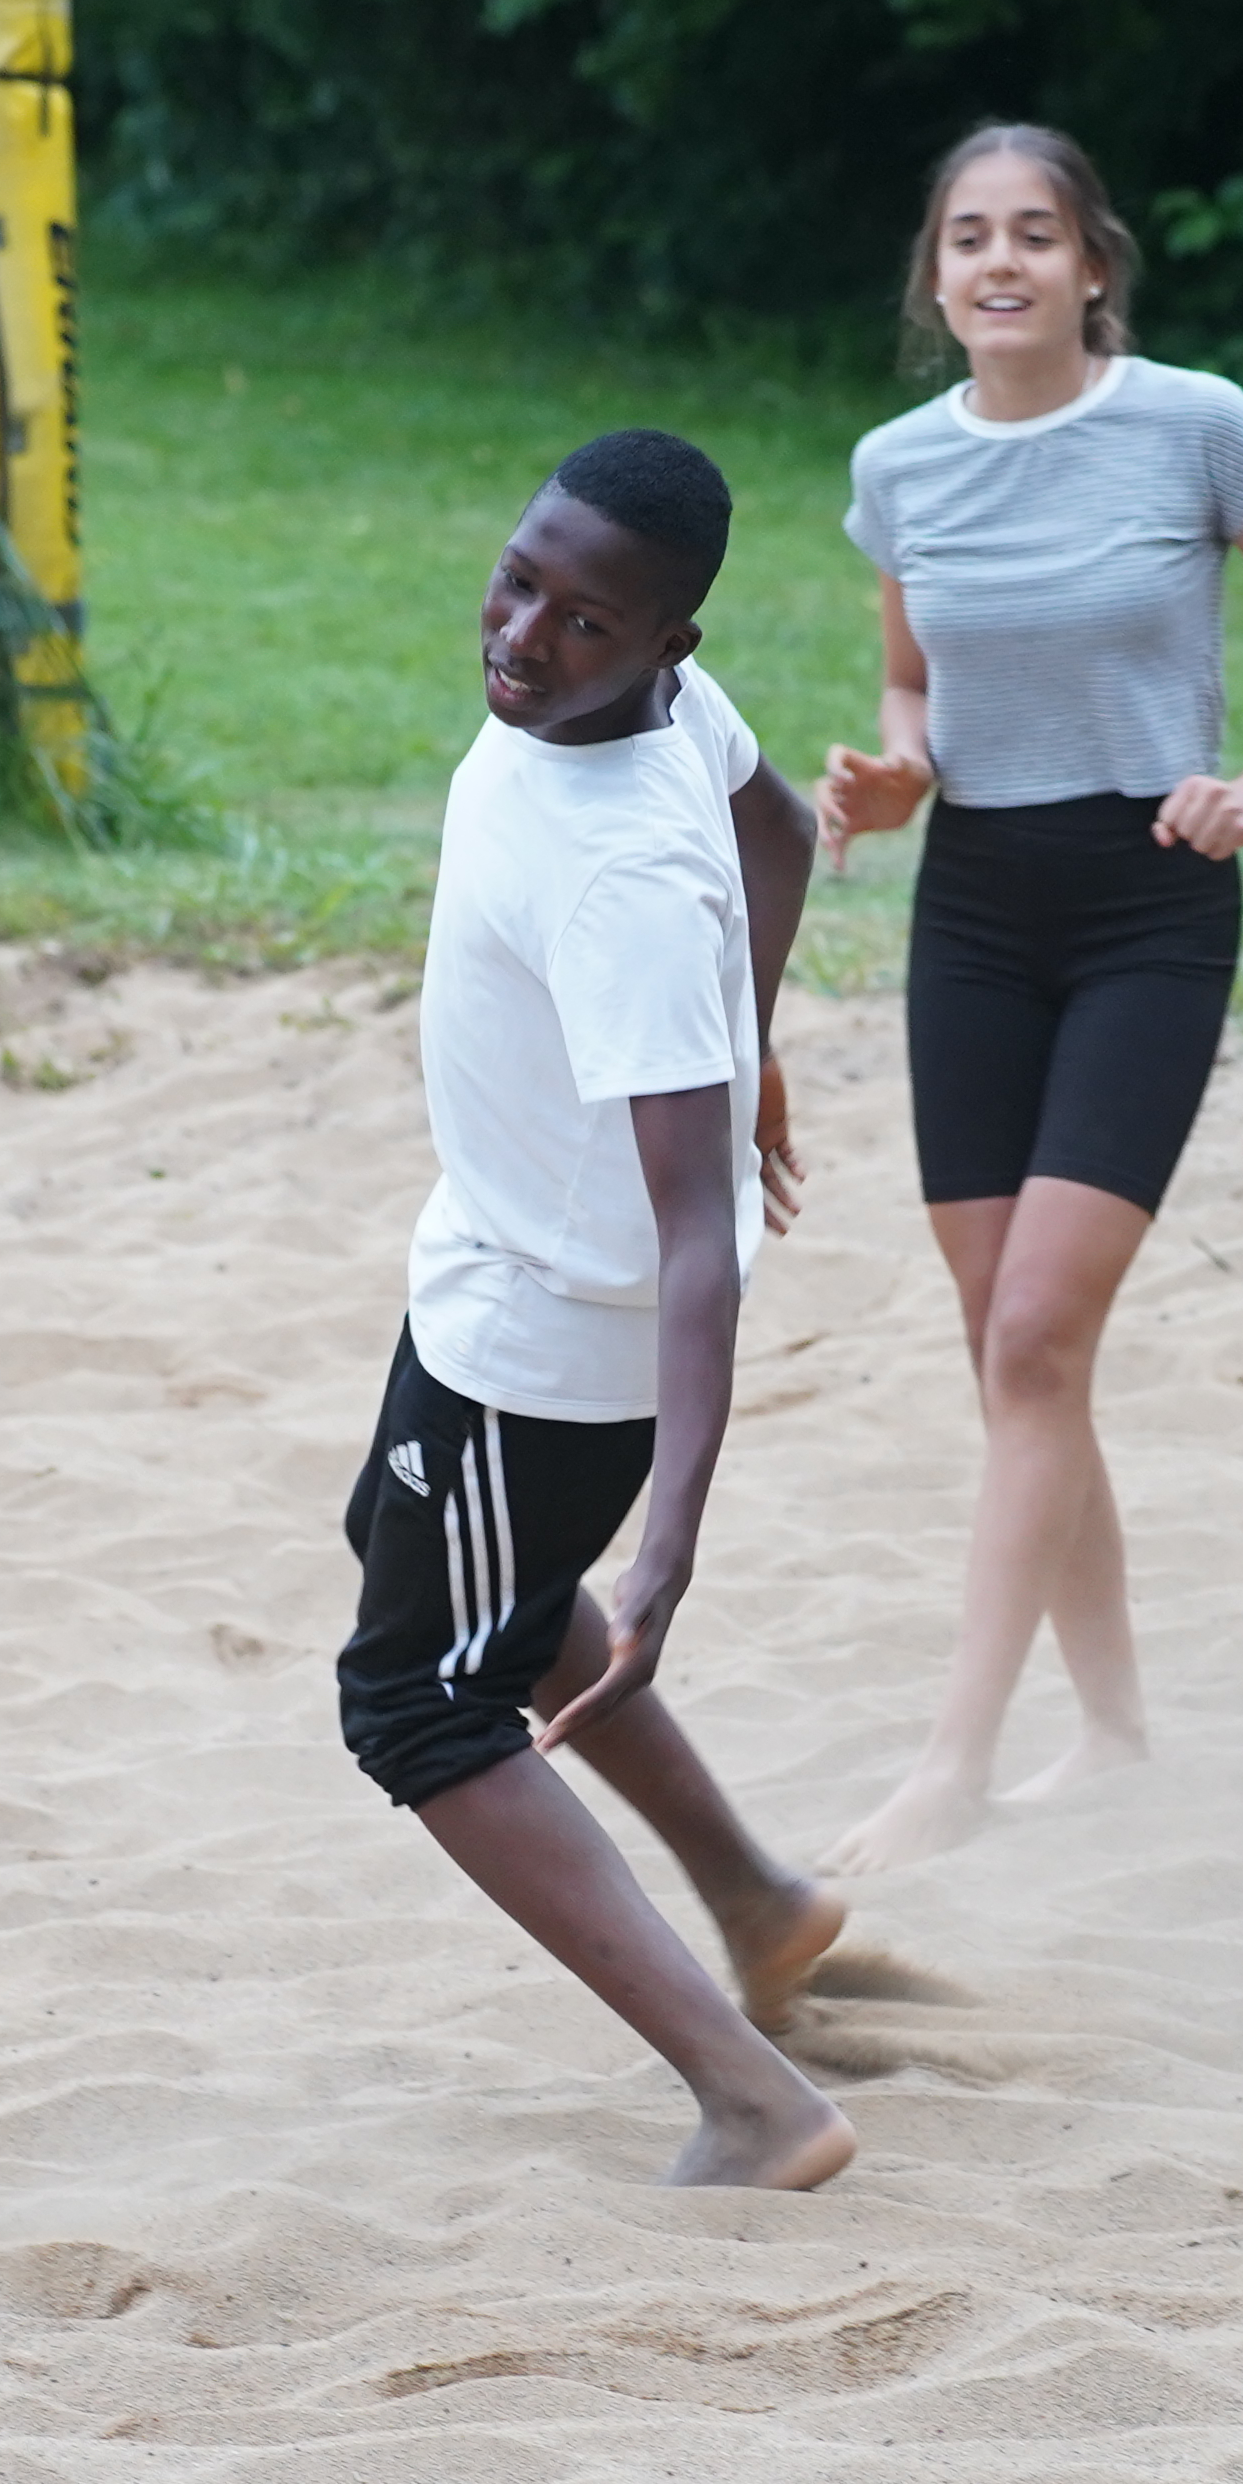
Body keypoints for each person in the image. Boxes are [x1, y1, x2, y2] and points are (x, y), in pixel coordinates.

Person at [811, 123, 1243, 1871]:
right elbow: (913, 682)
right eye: (969, 237)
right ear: (937, 278)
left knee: (1036, 1339)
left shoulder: (1194, 426)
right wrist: (895, 772)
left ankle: (956, 1762)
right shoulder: (901, 467)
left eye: (1035, 235)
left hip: (1152, 900)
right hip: (975, 907)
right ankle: (1120, 1735)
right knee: (1018, 1360)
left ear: (1092, 267)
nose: (1001, 262)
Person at [343, 429, 852, 2190]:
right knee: (462, 1580)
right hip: (493, 1270)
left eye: (585, 622)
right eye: (523, 577)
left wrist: (677, 1545)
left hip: (551, 1342)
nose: (526, 632)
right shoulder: (642, 722)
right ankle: (763, 1906)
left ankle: (754, 2100)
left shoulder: (624, 876)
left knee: (416, 1703)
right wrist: (751, 1045)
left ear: (666, 647)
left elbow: (697, 1239)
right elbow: (784, 823)